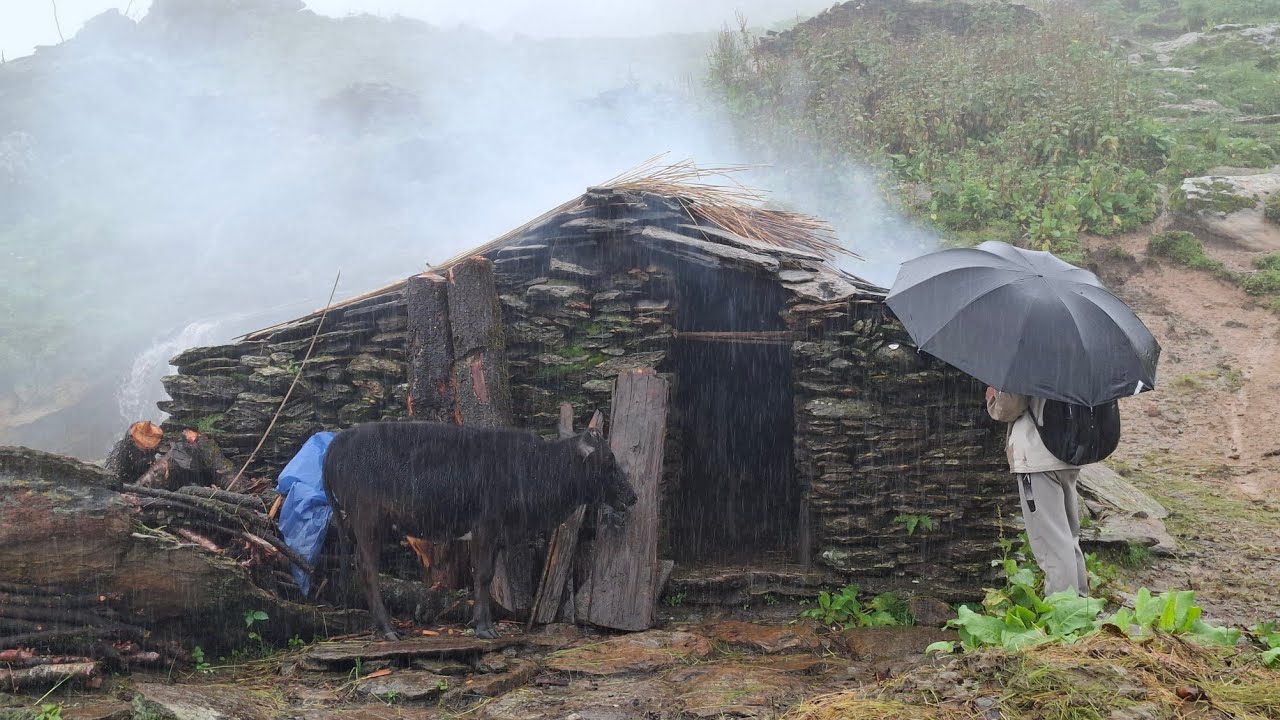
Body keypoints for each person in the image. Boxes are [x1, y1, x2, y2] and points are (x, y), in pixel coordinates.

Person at [985, 387, 1087, 596]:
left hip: (1037, 457)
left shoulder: (1032, 356)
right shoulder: (1073, 357)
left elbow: (1011, 407)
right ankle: (1081, 608)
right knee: (1068, 538)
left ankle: (1062, 616)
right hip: (1069, 452)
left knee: (1053, 547)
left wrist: (993, 399)